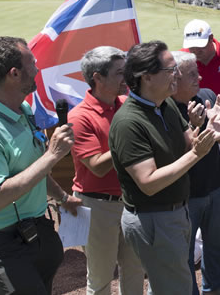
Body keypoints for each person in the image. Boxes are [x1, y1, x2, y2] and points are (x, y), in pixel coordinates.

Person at [0, 36, 82, 295]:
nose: (37, 69)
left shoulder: (22, 109)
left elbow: (30, 169)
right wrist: (52, 155)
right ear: (14, 74)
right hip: (0, 243)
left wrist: (62, 197)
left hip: (35, 230)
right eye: (32, 63)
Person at [109, 41, 220, 295]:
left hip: (174, 213)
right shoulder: (129, 122)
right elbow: (148, 182)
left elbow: (187, 144)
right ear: (147, 77)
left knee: (167, 285)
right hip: (154, 218)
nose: (177, 75)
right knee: (176, 288)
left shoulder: (165, 104)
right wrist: (197, 152)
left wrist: (205, 128)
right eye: (171, 70)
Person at [70, 46, 144, 295]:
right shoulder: (79, 117)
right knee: (101, 277)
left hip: (131, 201)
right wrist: (128, 139)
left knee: (135, 269)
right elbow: (97, 166)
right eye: (120, 73)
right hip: (97, 206)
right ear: (97, 78)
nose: (127, 78)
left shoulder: (127, 104)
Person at [171, 51, 220, 295]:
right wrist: (194, 127)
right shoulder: (165, 108)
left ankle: (213, 288)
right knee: (185, 252)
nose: (199, 76)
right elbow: (171, 153)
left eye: (197, 71)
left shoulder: (206, 97)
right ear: (174, 79)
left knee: (215, 245)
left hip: (216, 187)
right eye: (191, 74)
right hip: (186, 196)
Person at [183, 19, 220, 251]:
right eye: (191, 47)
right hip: (195, 128)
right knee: (198, 182)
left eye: (200, 46)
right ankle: (197, 233)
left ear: (212, 38)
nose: (195, 51)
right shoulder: (185, 60)